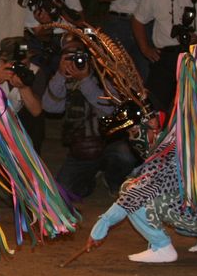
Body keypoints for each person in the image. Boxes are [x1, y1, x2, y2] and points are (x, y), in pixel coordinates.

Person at [84, 45, 197, 263]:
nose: (132, 139)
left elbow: (135, 196)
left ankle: (163, 247)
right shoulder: (176, 138)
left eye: (134, 132)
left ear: (149, 127)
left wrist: (101, 226)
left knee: (132, 191)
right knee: (140, 185)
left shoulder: (166, 151)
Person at [41, 37, 138, 199]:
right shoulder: (62, 80)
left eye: (78, 56)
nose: (75, 61)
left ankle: (114, 181)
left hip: (110, 143)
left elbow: (110, 111)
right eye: (68, 57)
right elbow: (50, 107)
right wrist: (60, 74)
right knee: (64, 192)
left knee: (125, 155)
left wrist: (85, 80)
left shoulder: (104, 77)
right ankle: (90, 180)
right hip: (82, 150)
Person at [0, 36, 44, 150]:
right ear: (2, 61)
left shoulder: (36, 72)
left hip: (24, 130)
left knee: (36, 122)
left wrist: (24, 87)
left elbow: (36, 111)